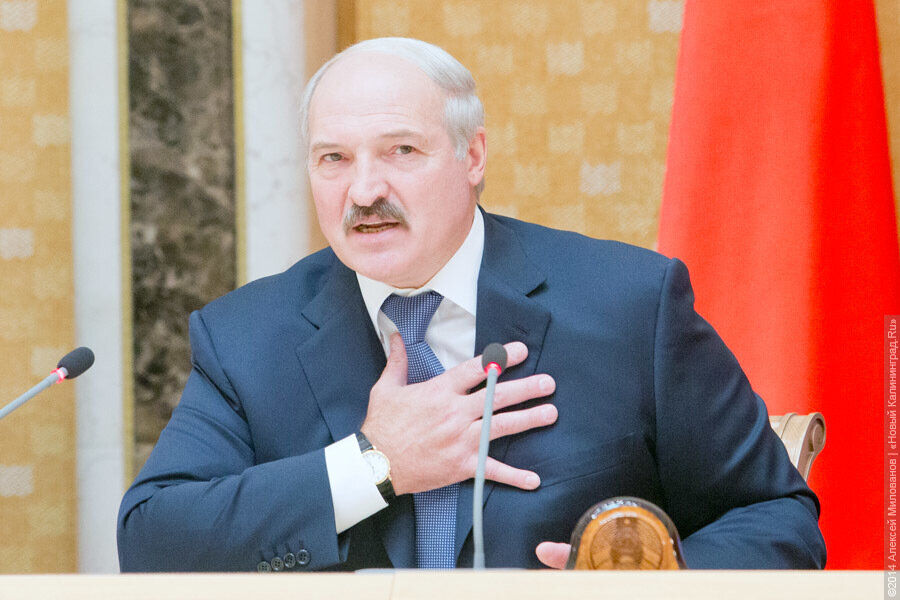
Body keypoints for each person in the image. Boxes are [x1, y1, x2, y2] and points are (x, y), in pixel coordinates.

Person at [117, 37, 826, 572]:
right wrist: (374, 465)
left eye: (401, 151)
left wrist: (653, 581)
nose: (363, 191)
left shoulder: (630, 306)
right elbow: (152, 540)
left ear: (474, 156)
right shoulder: (246, 337)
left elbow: (776, 516)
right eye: (334, 159)